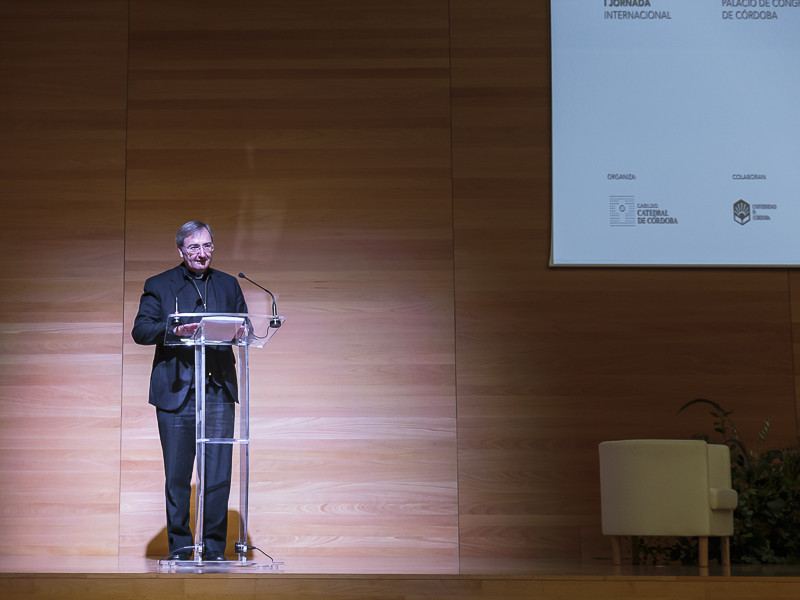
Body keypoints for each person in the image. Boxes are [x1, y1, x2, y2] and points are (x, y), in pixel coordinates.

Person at [132, 220, 248, 561]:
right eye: (194, 247)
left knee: (217, 474)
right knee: (178, 477)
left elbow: (246, 325)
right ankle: (181, 550)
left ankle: (213, 550)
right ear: (181, 250)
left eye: (207, 246)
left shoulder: (228, 284)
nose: (202, 253)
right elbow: (141, 330)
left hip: (217, 391)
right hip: (176, 391)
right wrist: (175, 327)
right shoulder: (160, 285)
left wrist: (242, 332)